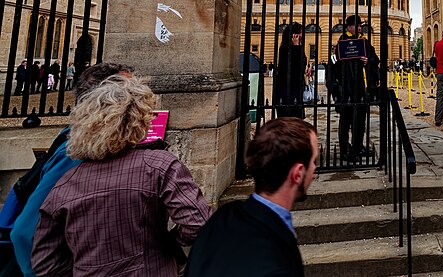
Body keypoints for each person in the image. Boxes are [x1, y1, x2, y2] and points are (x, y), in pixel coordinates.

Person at [30, 74, 210, 277]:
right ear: (138, 121)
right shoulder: (158, 165)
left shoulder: (65, 183)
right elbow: (199, 223)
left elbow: (45, 263)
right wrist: (164, 245)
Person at [8, 63, 138, 277]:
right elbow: (25, 232)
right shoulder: (77, 151)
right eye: (131, 91)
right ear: (106, 100)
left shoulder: (102, 144)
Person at [186, 117, 318, 277]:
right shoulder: (274, 268)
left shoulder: (222, 217)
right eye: (313, 161)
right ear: (297, 174)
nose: (315, 169)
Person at [330, 15, 378, 162]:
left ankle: (357, 147)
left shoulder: (364, 41)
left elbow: (375, 58)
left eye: (360, 26)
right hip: (348, 88)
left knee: (360, 121)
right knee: (346, 121)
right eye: (357, 26)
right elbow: (334, 63)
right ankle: (345, 149)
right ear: (349, 27)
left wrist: (368, 61)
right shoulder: (342, 42)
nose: (359, 28)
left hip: (361, 88)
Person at [273, 22, 308, 119]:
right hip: (288, 89)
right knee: (290, 119)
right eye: (300, 33)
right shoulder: (285, 49)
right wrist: (296, 46)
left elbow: (301, 64)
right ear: (294, 35)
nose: (302, 35)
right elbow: (293, 67)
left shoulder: (298, 47)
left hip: (296, 87)